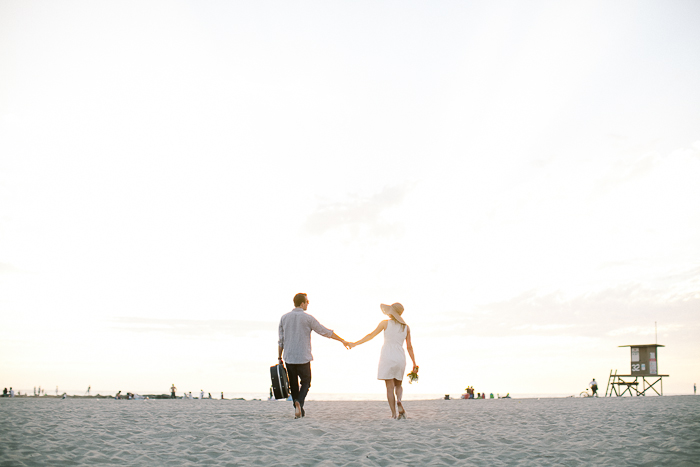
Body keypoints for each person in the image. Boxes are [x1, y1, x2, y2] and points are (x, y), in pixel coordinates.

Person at [278, 292, 350, 419]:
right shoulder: (308, 318)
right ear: (302, 303)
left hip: (289, 357)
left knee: (294, 384)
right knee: (306, 382)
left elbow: (281, 340)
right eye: (307, 301)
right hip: (303, 357)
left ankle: (297, 407)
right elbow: (324, 331)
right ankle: (299, 403)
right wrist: (342, 340)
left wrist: (279, 357)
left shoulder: (284, 318)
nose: (308, 303)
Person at [349, 303, 418, 420]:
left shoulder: (385, 323)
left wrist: (355, 343)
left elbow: (371, 335)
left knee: (389, 387)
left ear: (391, 312)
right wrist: (414, 363)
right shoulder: (406, 327)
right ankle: (399, 400)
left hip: (387, 356)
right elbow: (409, 347)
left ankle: (393, 414)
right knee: (398, 384)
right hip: (400, 356)